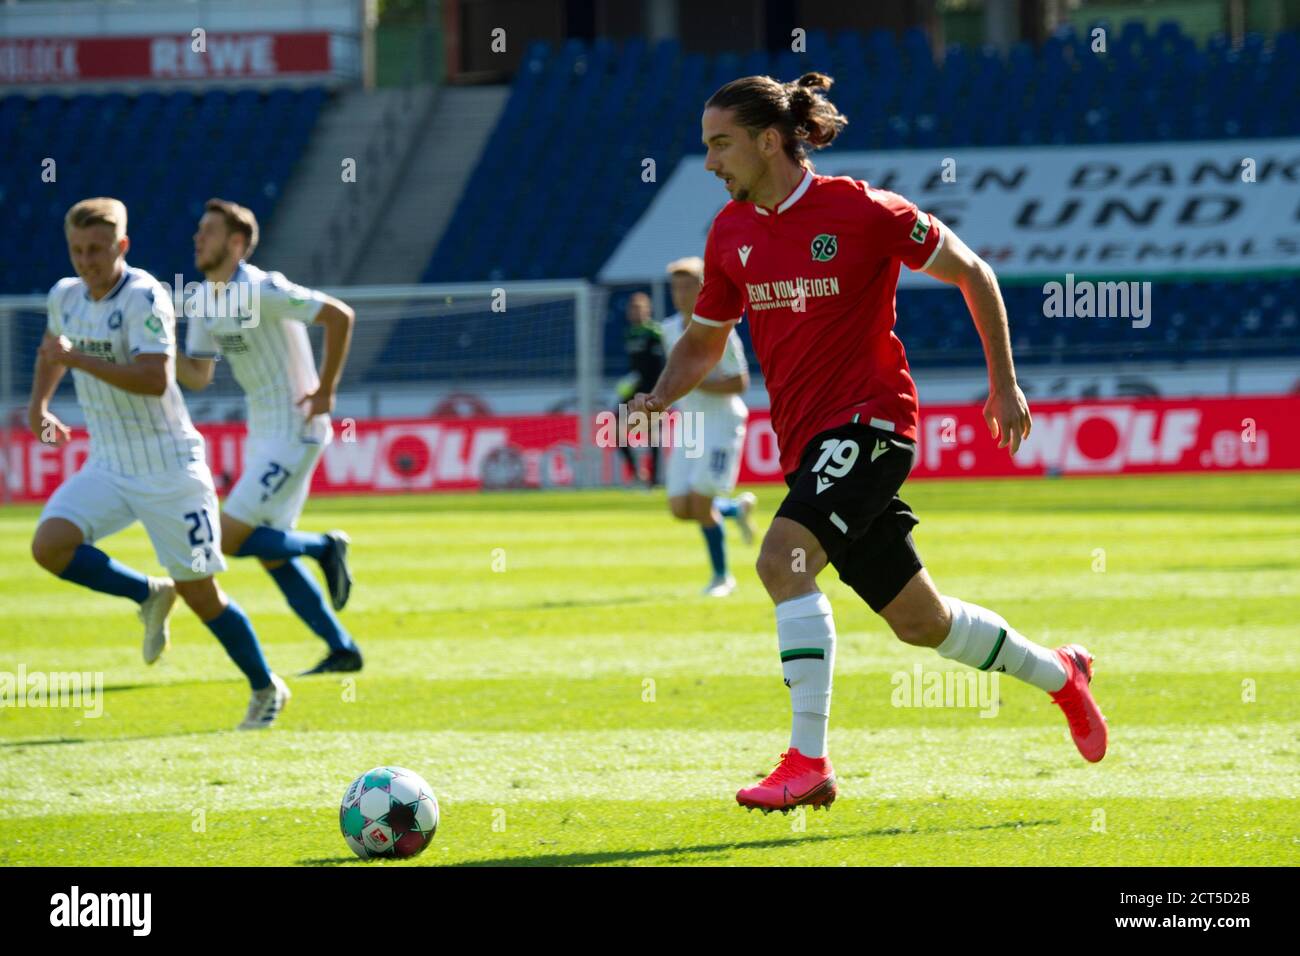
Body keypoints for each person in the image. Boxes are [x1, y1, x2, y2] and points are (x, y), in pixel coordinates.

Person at [630, 73, 1107, 814]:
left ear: (768, 140)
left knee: (780, 559)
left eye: (720, 143)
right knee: (923, 624)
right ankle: (1061, 674)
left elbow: (972, 271)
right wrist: (660, 395)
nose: (709, 161)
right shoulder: (729, 235)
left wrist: (1003, 384)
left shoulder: (861, 209)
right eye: (705, 145)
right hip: (808, 444)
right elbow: (702, 339)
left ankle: (807, 762)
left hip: (874, 424)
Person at [30, 197, 289, 729]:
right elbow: (49, 347)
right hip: (108, 462)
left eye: (97, 250)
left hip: (169, 467)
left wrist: (77, 359)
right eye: (77, 250)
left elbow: (154, 378)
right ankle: (147, 593)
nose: (86, 261)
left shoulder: (146, 297)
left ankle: (266, 688)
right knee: (50, 546)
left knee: (202, 593)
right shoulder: (65, 295)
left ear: (122, 246)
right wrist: (39, 406)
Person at [176, 198, 361, 675]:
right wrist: (146, 352)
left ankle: (324, 546)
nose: (198, 239)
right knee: (272, 553)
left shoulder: (264, 289)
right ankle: (342, 650)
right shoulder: (201, 299)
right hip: (262, 432)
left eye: (209, 232)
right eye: (198, 231)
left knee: (231, 538)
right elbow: (197, 375)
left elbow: (339, 316)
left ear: (236, 244)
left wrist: (327, 389)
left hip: (296, 428)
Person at [659, 255, 756, 596]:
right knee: (680, 508)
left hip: (721, 422)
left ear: (703, 290)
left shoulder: (721, 331)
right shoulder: (669, 330)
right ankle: (735, 509)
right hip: (690, 424)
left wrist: (695, 383)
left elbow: (740, 382)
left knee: (700, 504)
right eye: (676, 286)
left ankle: (722, 578)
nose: (680, 293)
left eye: (688, 286)